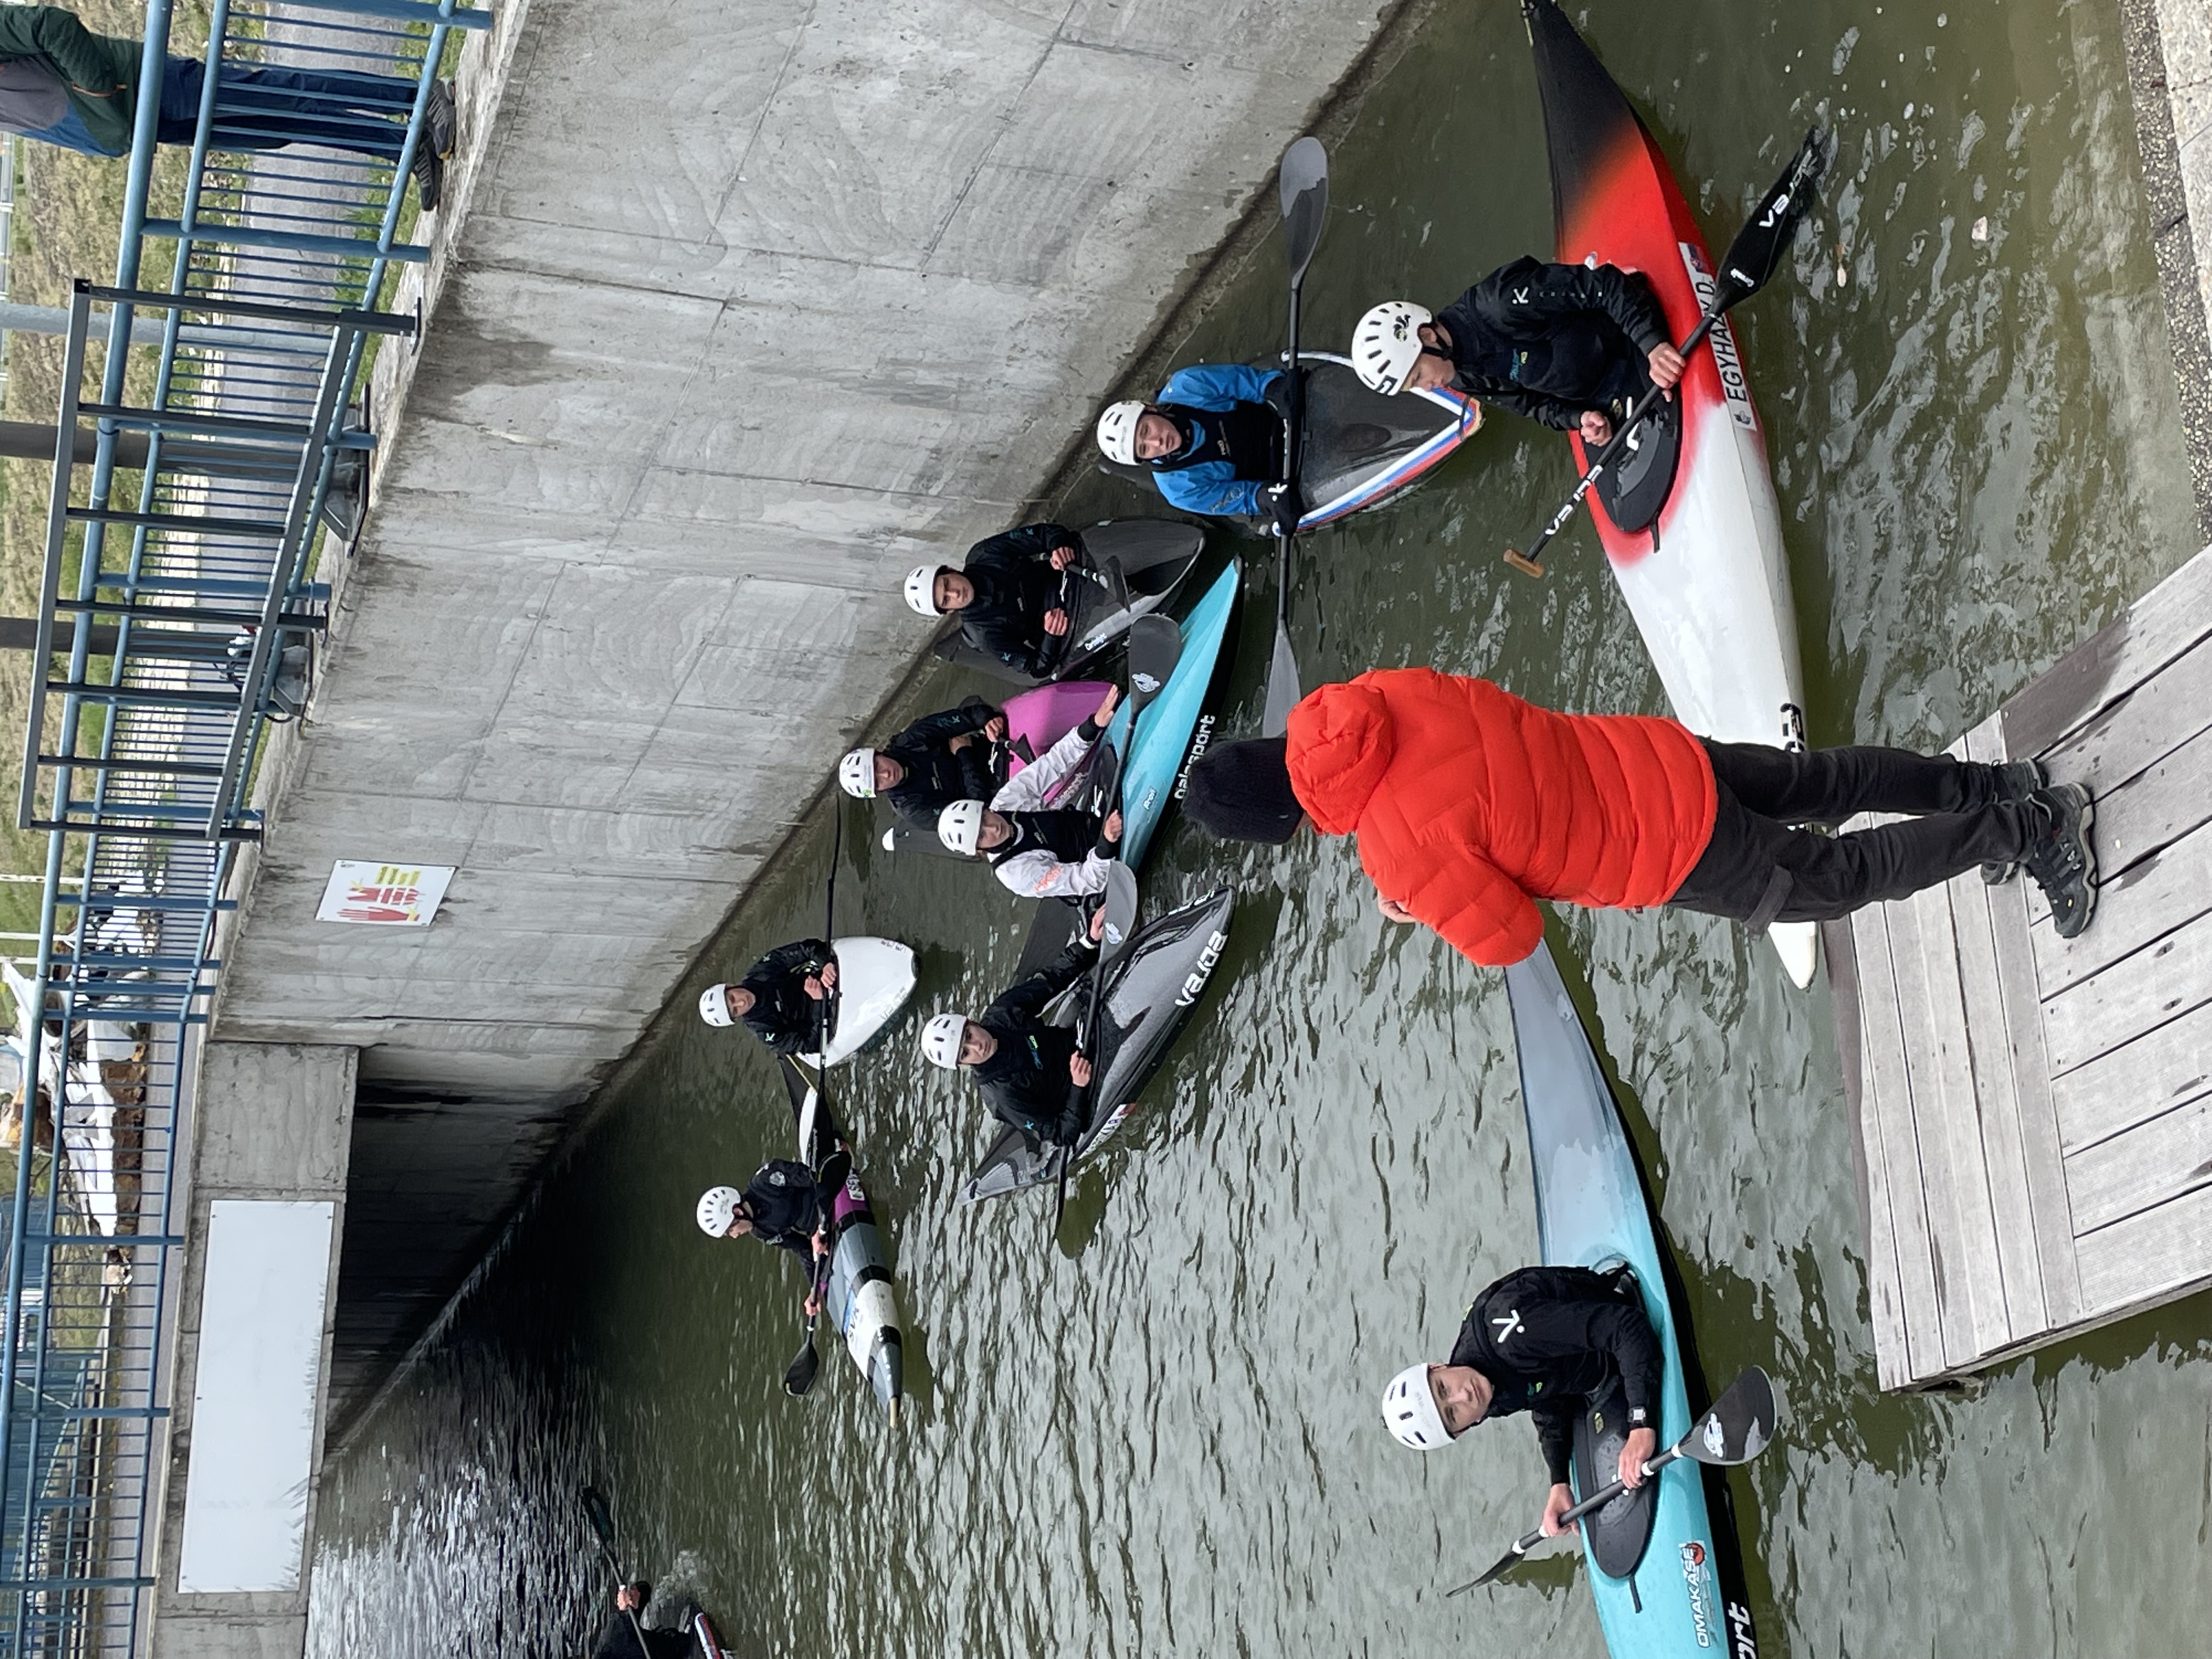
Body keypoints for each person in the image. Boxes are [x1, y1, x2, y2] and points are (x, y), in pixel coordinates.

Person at [1178, 667, 2101, 955]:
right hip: (1651, 757)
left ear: (1279, 818)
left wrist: (1418, 901)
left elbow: (1510, 937)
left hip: (1672, 851)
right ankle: (1987, 788)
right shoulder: (1377, 692)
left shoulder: (1391, 849)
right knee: (1825, 780)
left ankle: (2037, 827)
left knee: (1845, 879)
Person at [0, 7, 458, 206]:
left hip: (143, 82)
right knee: (277, 126)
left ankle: (418, 98)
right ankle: (402, 146)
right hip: (139, 125)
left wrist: (99, 90)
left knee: (287, 94)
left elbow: (50, 25)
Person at [1380, 1265, 1662, 1540]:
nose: (1463, 1395)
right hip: (1591, 1370)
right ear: (1463, 1430)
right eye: (1452, 1414)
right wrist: (1559, 1480)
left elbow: (1627, 1326)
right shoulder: (1483, 1396)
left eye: (1443, 1389)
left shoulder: (1511, 1339)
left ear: (1438, 1366)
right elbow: (1545, 1398)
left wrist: (1641, 1422)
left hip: (1623, 1325)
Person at [1351, 257, 1686, 446]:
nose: (1427, 387)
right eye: (1414, 387)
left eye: (1418, 376)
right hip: (1604, 391)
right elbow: (1529, 404)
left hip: (1630, 339)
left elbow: (1604, 287)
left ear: (1426, 336)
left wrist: (1652, 345)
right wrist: (1577, 419)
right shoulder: (1454, 371)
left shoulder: (1500, 304)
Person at [917, 906, 1105, 1147]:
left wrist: (1089, 941)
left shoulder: (1003, 1013)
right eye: (965, 1052)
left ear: (971, 1022)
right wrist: (1079, 1087)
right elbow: (1063, 1135)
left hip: (1077, 1040)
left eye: (968, 1034)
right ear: (962, 1064)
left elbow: (1052, 980)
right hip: (1079, 1088)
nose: (977, 1046)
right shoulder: (1003, 1096)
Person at [936, 685, 1122, 900]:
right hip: (1095, 862)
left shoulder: (1006, 801)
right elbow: (1086, 880)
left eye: (984, 818)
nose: (993, 828)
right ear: (979, 848)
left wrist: (1093, 725)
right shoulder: (1016, 874)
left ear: (986, 808)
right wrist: (1107, 844)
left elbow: (1053, 764)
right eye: (982, 835)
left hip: (1090, 823)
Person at [1095, 364, 1304, 532]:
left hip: (1279, 414)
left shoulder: (1186, 385)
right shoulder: (1178, 490)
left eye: (1146, 430)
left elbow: (1250, 383)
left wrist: (1275, 388)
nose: (1157, 443)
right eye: (1144, 449)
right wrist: (1267, 498)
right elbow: (1245, 497)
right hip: (1281, 469)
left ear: (1150, 409)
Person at [905, 523, 1088, 681]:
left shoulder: (984, 553)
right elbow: (1037, 668)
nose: (955, 593)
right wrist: (1051, 636)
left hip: (1068, 569)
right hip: (1069, 621)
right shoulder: (984, 635)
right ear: (947, 611)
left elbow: (1044, 533)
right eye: (946, 600)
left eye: (947, 584)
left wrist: (1058, 547)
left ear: (951, 570)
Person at [838, 697, 1007, 833]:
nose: (886, 774)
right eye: (877, 782)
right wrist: (964, 754)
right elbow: (978, 812)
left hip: (992, 746)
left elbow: (966, 717)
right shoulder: (913, 809)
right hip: (994, 791)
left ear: (879, 754)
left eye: (877, 767)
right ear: (879, 791)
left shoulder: (910, 741)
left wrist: (988, 721)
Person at [695, 1159, 832, 1316]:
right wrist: (816, 1287)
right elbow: (801, 1248)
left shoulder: (766, 1180)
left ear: (738, 1213)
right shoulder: (761, 1232)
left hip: (827, 1201)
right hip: (820, 1231)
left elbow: (818, 1179)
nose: (733, 1237)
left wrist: (821, 1224)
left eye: (729, 1231)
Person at [697, 939, 837, 1052]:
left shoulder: (761, 972)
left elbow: (804, 948)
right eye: (735, 1010)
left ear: (730, 986)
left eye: (732, 998)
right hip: (830, 1014)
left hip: (826, 978)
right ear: (736, 1017)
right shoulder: (765, 1031)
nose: (742, 1003)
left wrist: (825, 964)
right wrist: (819, 1003)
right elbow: (813, 1044)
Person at [590, 1582, 693, 1659]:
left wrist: (629, 1600)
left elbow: (643, 1589)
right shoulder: (614, 1636)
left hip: (681, 1647)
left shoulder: (615, 1638)